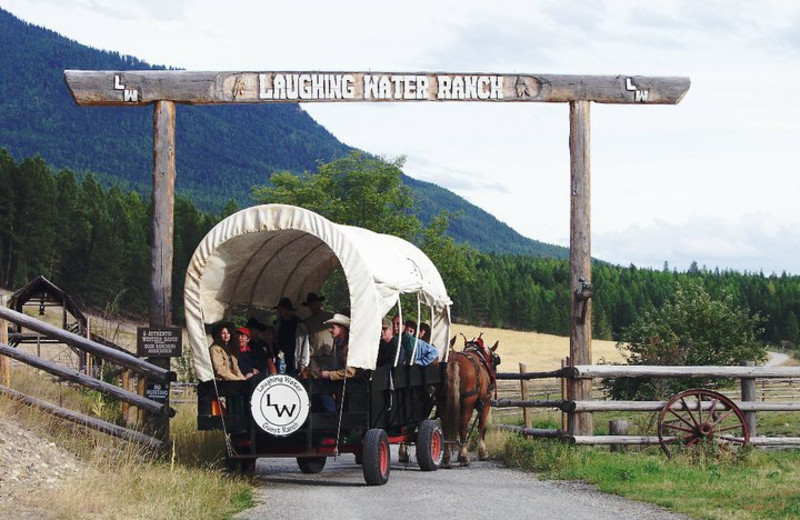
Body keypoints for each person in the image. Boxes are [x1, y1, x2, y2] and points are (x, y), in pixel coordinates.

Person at [273, 297, 310, 376]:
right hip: (281, 358)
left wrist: (303, 362)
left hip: (295, 360)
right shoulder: (277, 324)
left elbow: (305, 344)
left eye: (281, 309)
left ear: (288, 310)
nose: (279, 311)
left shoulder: (300, 324)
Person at [301, 293, 336, 375]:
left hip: (329, 353)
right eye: (311, 305)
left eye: (315, 304)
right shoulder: (307, 321)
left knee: (330, 376)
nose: (313, 307)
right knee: (315, 378)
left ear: (320, 304)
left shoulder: (330, 317)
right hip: (314, 355)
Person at [318, 313, 358, 380]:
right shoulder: (338, 344)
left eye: (333, 327)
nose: (330, 330)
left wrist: (329, 374)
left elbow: (350, 372)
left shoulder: (350, 347)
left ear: (342, 329)